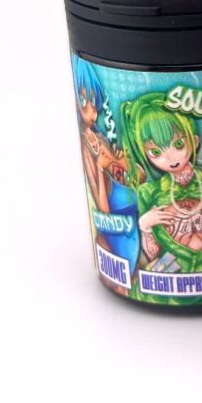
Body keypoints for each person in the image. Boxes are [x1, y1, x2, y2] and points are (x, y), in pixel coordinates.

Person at [121, 93, 202, 276]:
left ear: (194, 142)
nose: (170, 158)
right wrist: (145, 225)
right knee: (148, 278)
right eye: (156, 152)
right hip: (170, 273)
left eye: (178, 144)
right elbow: (151, 254)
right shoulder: (149, 192)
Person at [71, 54, 139, 274]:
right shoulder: (87, 149)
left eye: (93, 101)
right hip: (116, 233)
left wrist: (122, 162)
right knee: (125, 282)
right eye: (84, 101)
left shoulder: (99, 138)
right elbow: (103, 209)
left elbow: (136, 177)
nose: (91, 110)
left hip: (132, 228)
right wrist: (100, 169)